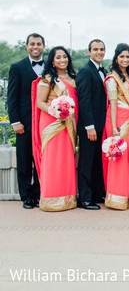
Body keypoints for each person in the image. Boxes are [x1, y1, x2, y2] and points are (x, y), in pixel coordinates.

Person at [31, 47, 78, 212]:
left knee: (66, 159)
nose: (62, 60)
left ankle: (68, 198)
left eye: (64, 56)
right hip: (52, 122)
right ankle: (51, 199)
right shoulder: (47, 79)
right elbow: (40, 102)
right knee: (52, 159)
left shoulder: (73, 78)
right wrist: (57, 111)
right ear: (52, 60)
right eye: (58, 57)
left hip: (68, 123)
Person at [103, 43, 129, 210]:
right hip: (118, 121)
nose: (125, 59)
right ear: (116, 58)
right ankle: (117, 196)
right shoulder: (112, 78)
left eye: (128, 56)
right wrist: (114, 127)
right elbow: (112, 103)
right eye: (122, 56)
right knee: (120, 157)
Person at [7, 33, 45, 209]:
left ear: (44, 47)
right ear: (27, 46)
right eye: (32, 44)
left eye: (38, 44)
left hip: (44, 123)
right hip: (25, 123)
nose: (35, 47)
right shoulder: (17, 67)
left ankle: (38, 194)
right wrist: (15, 121)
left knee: (41, 160)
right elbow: (11, 97)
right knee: (24, 161)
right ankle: (26, 197)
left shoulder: (49, 68)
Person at [76, 39, 108, 210]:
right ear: (89, 52)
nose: (99, 52)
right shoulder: (85, 72)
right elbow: (84, 101)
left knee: (97, 162)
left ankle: (96, 193)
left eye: (102, 49)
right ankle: (85, 198)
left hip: (101, 125)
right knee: (86, 163)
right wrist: (90, 126)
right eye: (95, 49)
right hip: (90, 127)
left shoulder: (103, 70)